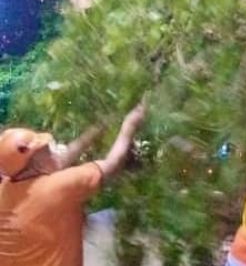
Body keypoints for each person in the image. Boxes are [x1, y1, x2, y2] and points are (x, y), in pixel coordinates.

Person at [0, 98, 148, 266]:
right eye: (46, 150)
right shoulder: (56, 188)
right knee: (113, 218)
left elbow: (57, 162)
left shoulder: (6, 189)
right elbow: (112, 165)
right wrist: (130, 125)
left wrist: (97, 128)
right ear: (35, 163)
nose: (52, 151)